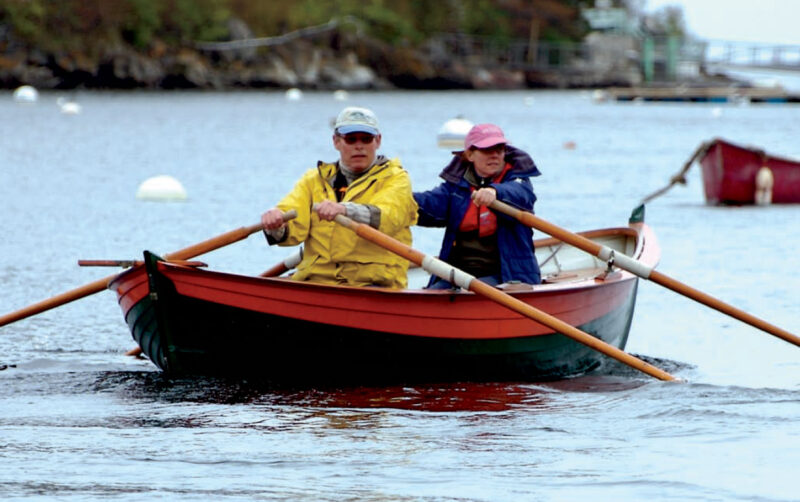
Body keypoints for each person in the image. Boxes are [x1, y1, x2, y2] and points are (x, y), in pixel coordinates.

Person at [261, 106, 418, 288]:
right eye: (351, 139)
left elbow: (389, 217)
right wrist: (276, 224)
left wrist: (344, 209)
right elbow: (292, 225)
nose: (359, 146)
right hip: (317, 282)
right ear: (336, 142)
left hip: (373, 284)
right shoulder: (313, 180)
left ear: (378, 141)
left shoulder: (396, 178)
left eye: (366, 139)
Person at [414, 123, 541, 289]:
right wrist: (401, 199)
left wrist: (495, 192)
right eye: (488, 150)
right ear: (470, 155)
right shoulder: (455, 188)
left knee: (472, 293)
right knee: (432, 297)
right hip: (459, 274)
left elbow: (522, 195)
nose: (495, 155)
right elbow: (429, 204)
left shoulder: (519, 180)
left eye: (500, 149)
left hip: (507, 275)